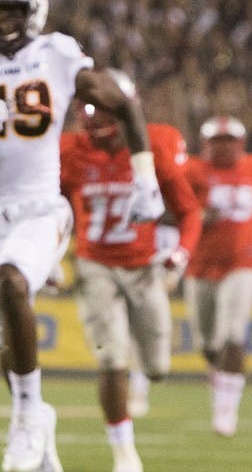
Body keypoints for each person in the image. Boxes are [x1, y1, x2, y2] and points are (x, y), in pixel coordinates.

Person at [0, 0, 165, 472]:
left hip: (41, 208)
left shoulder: (56, 53)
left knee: (11, 281)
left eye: (11, 11)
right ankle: (41, 439)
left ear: (34, 13)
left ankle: (29, 416)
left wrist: (146, 179)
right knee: (6, 342)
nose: (0, 23)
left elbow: (124, 105)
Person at [60, 97, 201, 472]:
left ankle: (141, 375)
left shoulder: (156, 145)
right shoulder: (71, 151)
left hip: (143, 267)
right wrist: (48, 256)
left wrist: (181, 253)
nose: (95, 138)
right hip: (95, 265)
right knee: (111, 359)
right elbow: (47, 205)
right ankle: (124, 452)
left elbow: (188, 209)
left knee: (157, 367)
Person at [183, 115, 252, 437]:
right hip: (200, 267)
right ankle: (221, 389)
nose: (224, 147)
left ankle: (226, 409)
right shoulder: (191, 171)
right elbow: (170, 210)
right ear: (206, 144)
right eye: (217, 141)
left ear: (240, 144)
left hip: (242, 264)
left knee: (232, 335)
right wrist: (199, 216)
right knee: (208, 345)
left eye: (229, 140)